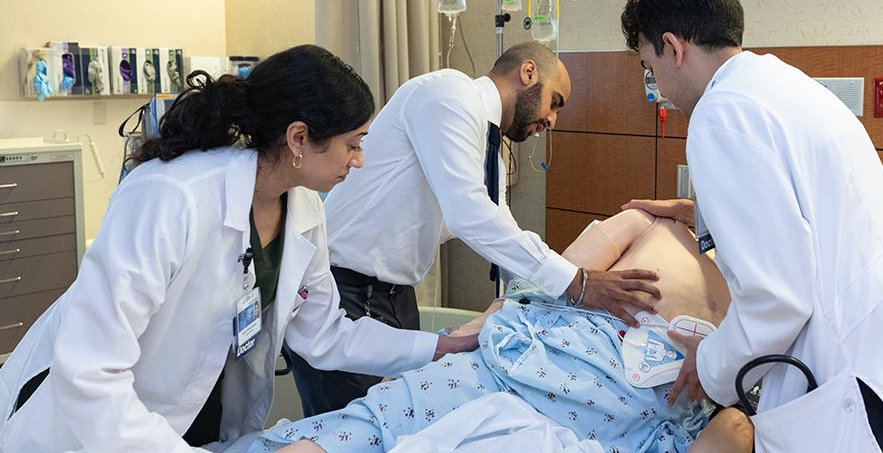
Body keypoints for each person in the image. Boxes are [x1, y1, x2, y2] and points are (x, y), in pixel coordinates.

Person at [0, 45, 477, 453]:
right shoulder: (172, 197)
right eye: (353, 145)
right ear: (299, 138)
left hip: (194, 417)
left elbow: (327, 335)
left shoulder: (304, 211)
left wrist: (438, 347)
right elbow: (89, 371)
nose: (360, 161)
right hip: (94, 428)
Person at [619, 0, 883, 452]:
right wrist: (703, 214)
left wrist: (709, 365)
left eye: (651, 70)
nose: (661, 93)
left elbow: (776, 299)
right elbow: (808, 210)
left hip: (867, 367)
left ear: (673, 47)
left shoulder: (718, 115)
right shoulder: (779, 83)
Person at [288, 41, 662, 415]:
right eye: (555, 102)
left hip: (394, 297)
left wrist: (526, 302)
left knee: (399, 423)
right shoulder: (447, 94)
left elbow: (499, 227)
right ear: (528, 73)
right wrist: (576, 283)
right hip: (345, 291)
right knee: (349, 431)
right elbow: (468, 214)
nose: (552, 122)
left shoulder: (487, 148)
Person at [227, 207, 753, 453]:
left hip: (641, 408)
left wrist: (719, 373)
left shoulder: (774, 284)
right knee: (379, 423)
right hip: (540, 359)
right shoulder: (653, 223)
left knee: (383, 425)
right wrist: (470, 332)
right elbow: (552, 279)